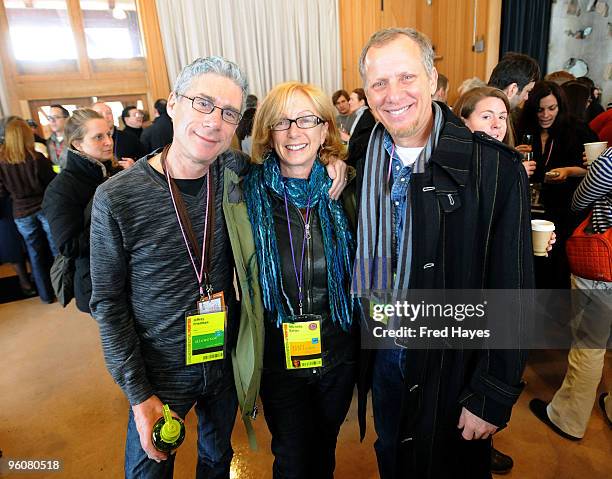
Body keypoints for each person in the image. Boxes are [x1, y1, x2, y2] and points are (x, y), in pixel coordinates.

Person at [88, 56, 347, 479]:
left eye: (228, 112)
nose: (214, 121)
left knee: (216, 460)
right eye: (203, 104)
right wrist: (138, 395)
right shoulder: (117, 198)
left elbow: (293, 167)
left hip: (224, 358)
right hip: (160, 371)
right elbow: (108, 304)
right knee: (147, 470)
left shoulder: (235, 171)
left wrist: (333, 163)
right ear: (173, 103)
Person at [354, 28, 534, 479]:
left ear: (433, 80)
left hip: (453, 360)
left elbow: (513, 291)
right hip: (384, 348)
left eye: (406, 77)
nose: (393, 95)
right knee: (391, 452)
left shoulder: (494, 169)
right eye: (379, 83)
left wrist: (492, 392)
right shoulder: (363, 158)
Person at [225, 81, 358, 479]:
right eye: (282, 122)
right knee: (292, 457)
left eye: (306, 120)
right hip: (279, 359)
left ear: (325, 131)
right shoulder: (243, 195)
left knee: (325, 447)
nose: (295, 132)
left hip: (338, 353)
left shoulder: (347, 190)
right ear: (266, 132)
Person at [530, 146, 612, 439]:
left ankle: (568, 419)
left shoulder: (610, 160)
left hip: (604, 265)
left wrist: (591, 170)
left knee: (589, 344)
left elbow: (579, 201)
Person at [515, 81, 598, 289]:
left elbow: (593, 168)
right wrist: (514, 154)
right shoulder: (523, 129)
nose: (545, 115)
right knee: (529, 263)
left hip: (563, 210)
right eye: (540, 109)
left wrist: (568, 171)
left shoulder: (576, 130)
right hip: (529, 208)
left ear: (560, 106)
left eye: (551, 108)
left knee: (556, 265)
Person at [43, 109, 123, 313]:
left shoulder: (115, 172)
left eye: (109, 134)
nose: (108, 142)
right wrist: (116, 228)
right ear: (77, 144)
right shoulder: (61, 189)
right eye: (98, 137)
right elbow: (69, 245)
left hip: (132, 277)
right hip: (98, 283)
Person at [0, 116, 57, 303]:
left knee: (34, 254)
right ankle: (63, 289)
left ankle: (46, 295)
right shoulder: (37, 158)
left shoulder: (2, 161)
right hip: (43, 208)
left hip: (20, 212)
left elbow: (2, 191)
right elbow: (52, 185)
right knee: (56, 250)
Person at [454, 86, 538, 178]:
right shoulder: (452, 166)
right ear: (463, 122)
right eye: (486, 117)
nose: (497, 124)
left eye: (502, 117)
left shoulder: (513, 166)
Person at [343, 88, 376, 169]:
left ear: (362, 102)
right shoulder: (362, 115)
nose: (349, 102)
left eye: (351, 99)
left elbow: (363, 145)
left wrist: (348, 139)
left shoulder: (367, 117)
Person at [46, 104, 70, 169]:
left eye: (56, 117)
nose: (52, 121)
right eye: (50, 118)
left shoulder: (74, 140)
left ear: (66, 119)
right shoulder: (48, 142)